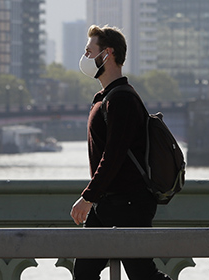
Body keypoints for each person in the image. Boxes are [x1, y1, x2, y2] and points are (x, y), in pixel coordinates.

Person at [70, 25, 170, 280]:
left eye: (89, 51)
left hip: (128, 203)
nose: (85, 58)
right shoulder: (105, 97)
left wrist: (88, 196)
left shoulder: (121, 99)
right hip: (108, 202)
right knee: (84, 273)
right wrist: (95, 198)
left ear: (108, 53)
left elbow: (113, 155)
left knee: (143, 275)